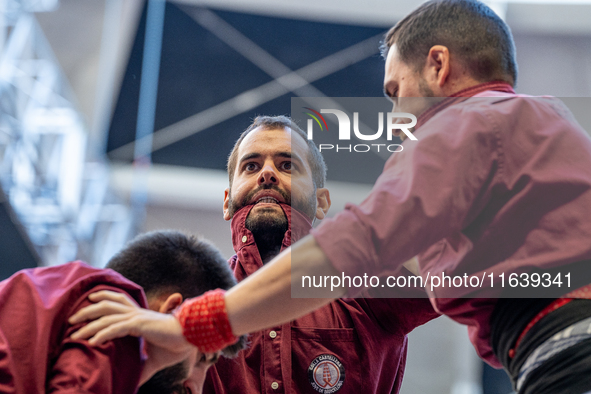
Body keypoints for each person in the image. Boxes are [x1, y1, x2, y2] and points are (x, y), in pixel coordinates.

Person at [68, 1, 591, 393]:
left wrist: (199, 324)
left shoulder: (460, 128)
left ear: (438, 66)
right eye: (252, 166)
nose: (394, 119)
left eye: (393, 91)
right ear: (226, 199)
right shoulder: (546, 127)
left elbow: (356, 244)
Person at [0, 230, 243, 393]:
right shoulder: (114, 322)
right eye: (203, 359)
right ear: (172, 311)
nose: (196, 386)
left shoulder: (60, 291)